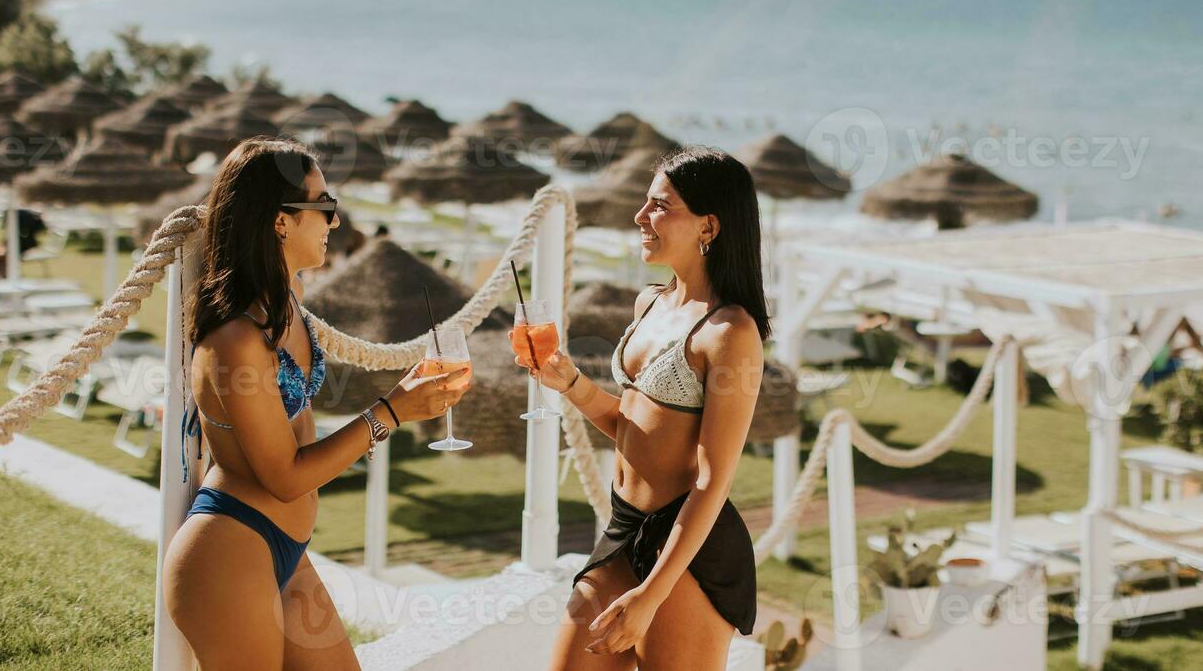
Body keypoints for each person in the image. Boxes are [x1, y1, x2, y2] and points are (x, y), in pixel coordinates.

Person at [162, 137, 471, 670]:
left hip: (285, 550)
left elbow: (297, 433)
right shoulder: (237, 338)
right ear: (281, 221)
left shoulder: (288, 304)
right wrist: (391, 412)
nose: (335, 222)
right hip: (230, 553)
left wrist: (384, 418)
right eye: (324, 206)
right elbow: (283, 476)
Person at [522, 146, 769, 670]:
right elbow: (633, 427)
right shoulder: (650, 303)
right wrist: (568, 381)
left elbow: (711, 479)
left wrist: (652, 595)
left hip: (686, 552)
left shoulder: (731, 332)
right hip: (623, 528)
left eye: (660, 206)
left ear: (709, 225)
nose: (640, 217)